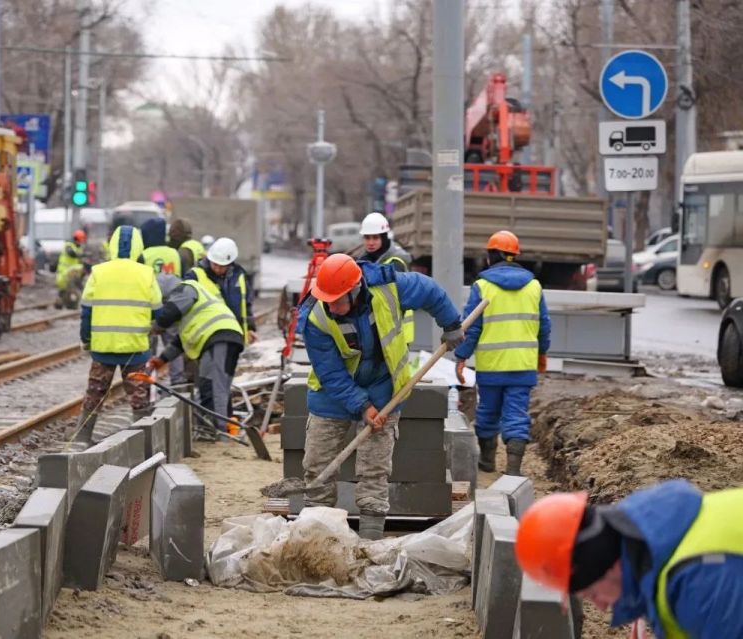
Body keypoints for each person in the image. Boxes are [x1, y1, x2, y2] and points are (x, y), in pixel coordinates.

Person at [297, 253, 464, 540]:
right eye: (328, 300)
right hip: (332, 393)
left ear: (355, 289)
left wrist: (451, 325)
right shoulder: (315, 317)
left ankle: (370, 538)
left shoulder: (389, 287)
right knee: (318, 465)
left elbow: (430, 291)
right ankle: (316, 535)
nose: (333, 307)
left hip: (384, 387)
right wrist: (361, 405)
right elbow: (331, 372)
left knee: (374, 467)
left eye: (338, 300)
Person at [515, 479, 743, 639]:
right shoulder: (656, 544)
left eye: (592, 594)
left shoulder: (700, 582)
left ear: (608, 564)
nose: (601, 606)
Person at [452, 230, 551, 476]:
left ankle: (487, 462)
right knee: (516, 415)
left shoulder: (482, 286)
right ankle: (513, 470)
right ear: (514, 256)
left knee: (487, 413)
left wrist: (462, 356)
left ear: (491, 256)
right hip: (523, 366)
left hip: (492, 366)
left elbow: (471, 327)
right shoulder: (534, 286)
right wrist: (542, 354)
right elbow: (544, 326)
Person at [74, 225, 162, 445]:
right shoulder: (147, 274)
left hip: (103, 347)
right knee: (139, 398)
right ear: (139, 246)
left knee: (94, 394)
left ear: (112, 245)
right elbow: (158, 311)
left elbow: (86, 312)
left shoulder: (98, 272)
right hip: (136, 348)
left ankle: (82, 438)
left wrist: (86, 339)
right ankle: (144, 442)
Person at [148, 278, 243, 437]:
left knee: (212, 387)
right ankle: (226, 428)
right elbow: (180, 342)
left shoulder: (186, 288)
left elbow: (168, 313)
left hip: (218, 337)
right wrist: (162, 359)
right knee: (220, 387)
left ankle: (218, 433)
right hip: (227, 337)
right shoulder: (194, 310)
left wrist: (156, 326)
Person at [185, 237, 257, 345]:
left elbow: (246, 305)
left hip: (233, 336)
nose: (217, 269)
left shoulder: (239, 276)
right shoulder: (195, 276)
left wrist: (250, 328)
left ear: (230, 263)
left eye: (222, 266)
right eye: (215, 264)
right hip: (205, 337)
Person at [358, 212, 414, 345]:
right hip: (378, 331)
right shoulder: (364, 260)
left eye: (375, 238)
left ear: (383, 238)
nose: (370, 242)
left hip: (396, 332)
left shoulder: (396, 262)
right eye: (367, 238)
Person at [55, 229, 88, 309]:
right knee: (64, 288)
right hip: (64, 272)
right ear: (76, 239)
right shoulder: (68, 245)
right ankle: (62, 303)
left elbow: (78, 261)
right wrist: (81, 255)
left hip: (73, 273)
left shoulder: (78, 248)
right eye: (80, 240)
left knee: (73, 288)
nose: (80, 242)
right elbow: (72, 253)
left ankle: (70, 303)